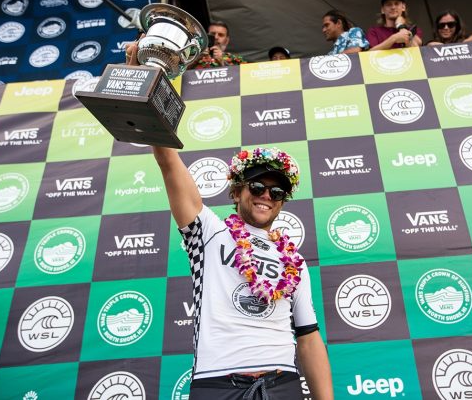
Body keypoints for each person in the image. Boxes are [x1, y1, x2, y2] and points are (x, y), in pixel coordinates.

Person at [127, 46, 334, 398]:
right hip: (218, 385)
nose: (266, 196)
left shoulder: (294, 260)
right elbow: (168, 161)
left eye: (277, 192)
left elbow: (309, 337)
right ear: (237, 192)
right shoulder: (206, 231)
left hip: (283, 385)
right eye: (257, 186)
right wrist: (141, 76)